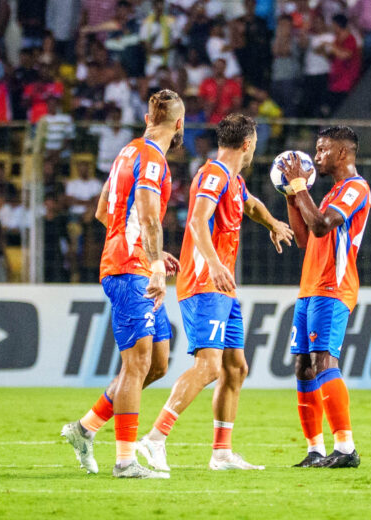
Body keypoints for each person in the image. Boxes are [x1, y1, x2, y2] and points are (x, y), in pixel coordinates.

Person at [136, 114, 293, 473]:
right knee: (208, 366)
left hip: (223, 288)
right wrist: (214, 263)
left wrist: (272, 223)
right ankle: (155, 438)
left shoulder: (233, 180)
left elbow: (250, 205)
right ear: (248, 144)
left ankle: (221, 453)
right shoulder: (214, 174)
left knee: (235, 368)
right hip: (205, 282)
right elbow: (196, 220)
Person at [61, 89, 185, 479]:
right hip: (130, 271)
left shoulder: (127, 151)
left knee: (157, 364)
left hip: (133, 263)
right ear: (179, 124)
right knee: (137, 364)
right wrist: (154, 263)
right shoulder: (152, 159)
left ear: (148, 119)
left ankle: (85, 429)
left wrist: (151, 251)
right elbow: (147, 217)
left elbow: (103, 211)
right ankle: (125, 461)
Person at [280, 126, 370, 468]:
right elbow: (305, 238)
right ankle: (315, 449)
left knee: (324, 361)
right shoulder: (332, 193)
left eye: (322, 150)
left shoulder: (356, 188)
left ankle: (345, 448)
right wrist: (292, 196)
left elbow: (321, 225)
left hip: (333, 286)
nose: (316, 156)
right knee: (304, 367)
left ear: (342, 153)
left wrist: (300, 187)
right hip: (310, 287)